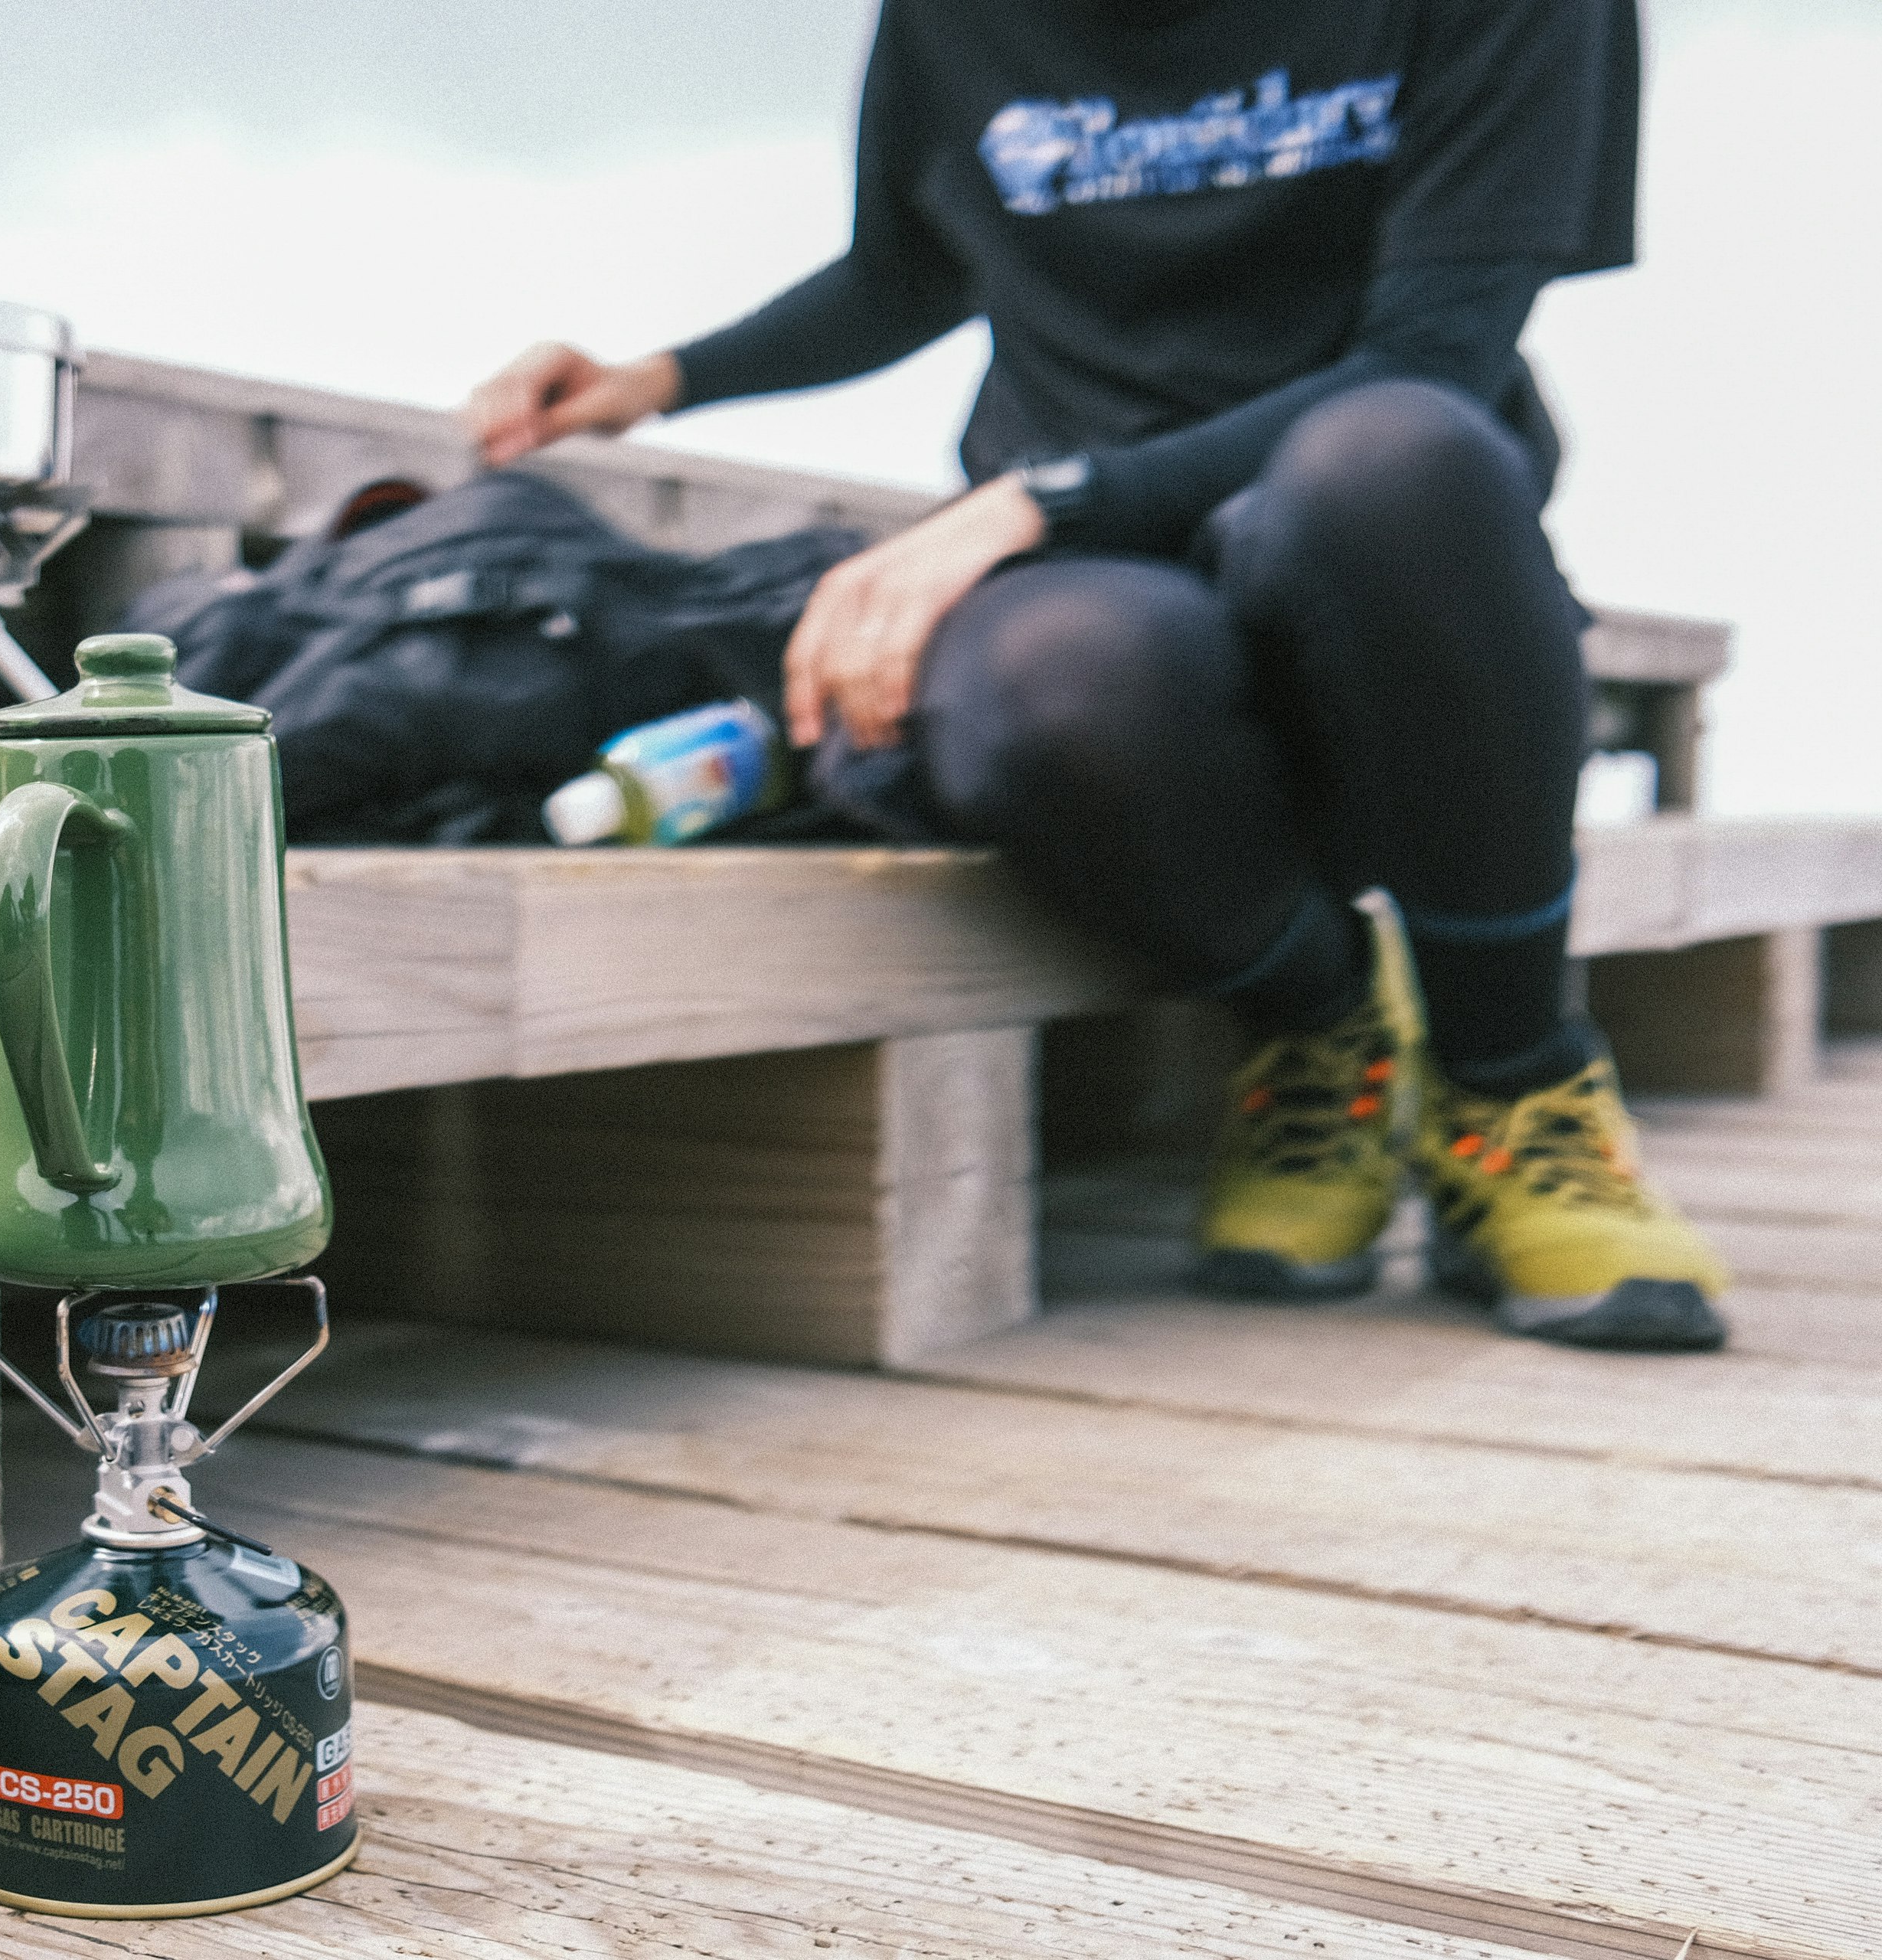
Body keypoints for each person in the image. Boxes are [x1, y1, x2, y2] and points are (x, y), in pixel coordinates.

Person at [462, 0, 1728, 1351]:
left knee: (1392, 462)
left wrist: (1035, 504)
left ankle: (1513, 1083)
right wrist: (655, 379)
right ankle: (1322, 1034)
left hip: (1371, 535)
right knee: (1047, 681)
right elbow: (906, 270)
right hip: (1110, 567)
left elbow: (1437, 354)